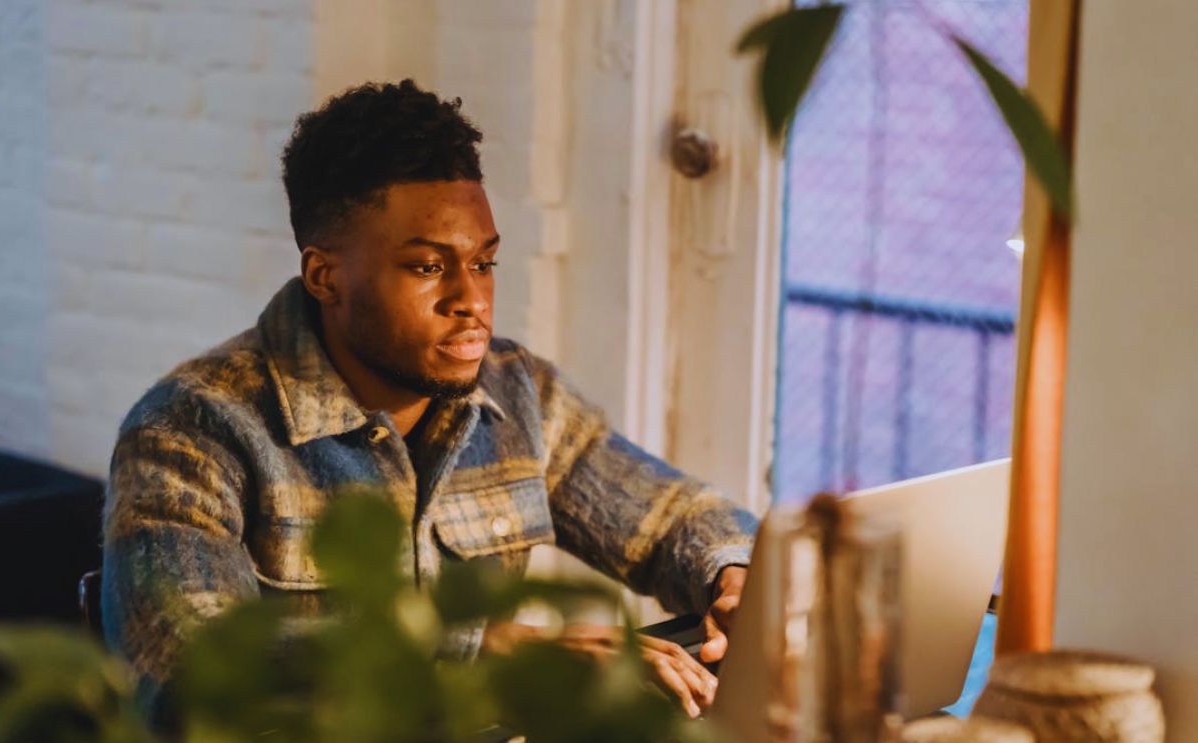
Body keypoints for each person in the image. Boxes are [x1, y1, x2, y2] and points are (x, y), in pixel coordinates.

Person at [102, 79, 757, 725]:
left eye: (483, 263)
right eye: (427, 267)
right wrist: (485, 651)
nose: (470, 300)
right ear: (324, 275)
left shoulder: (515, 391)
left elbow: (674, 517)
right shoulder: (190, 428)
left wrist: (734, 573)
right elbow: (195, 668)